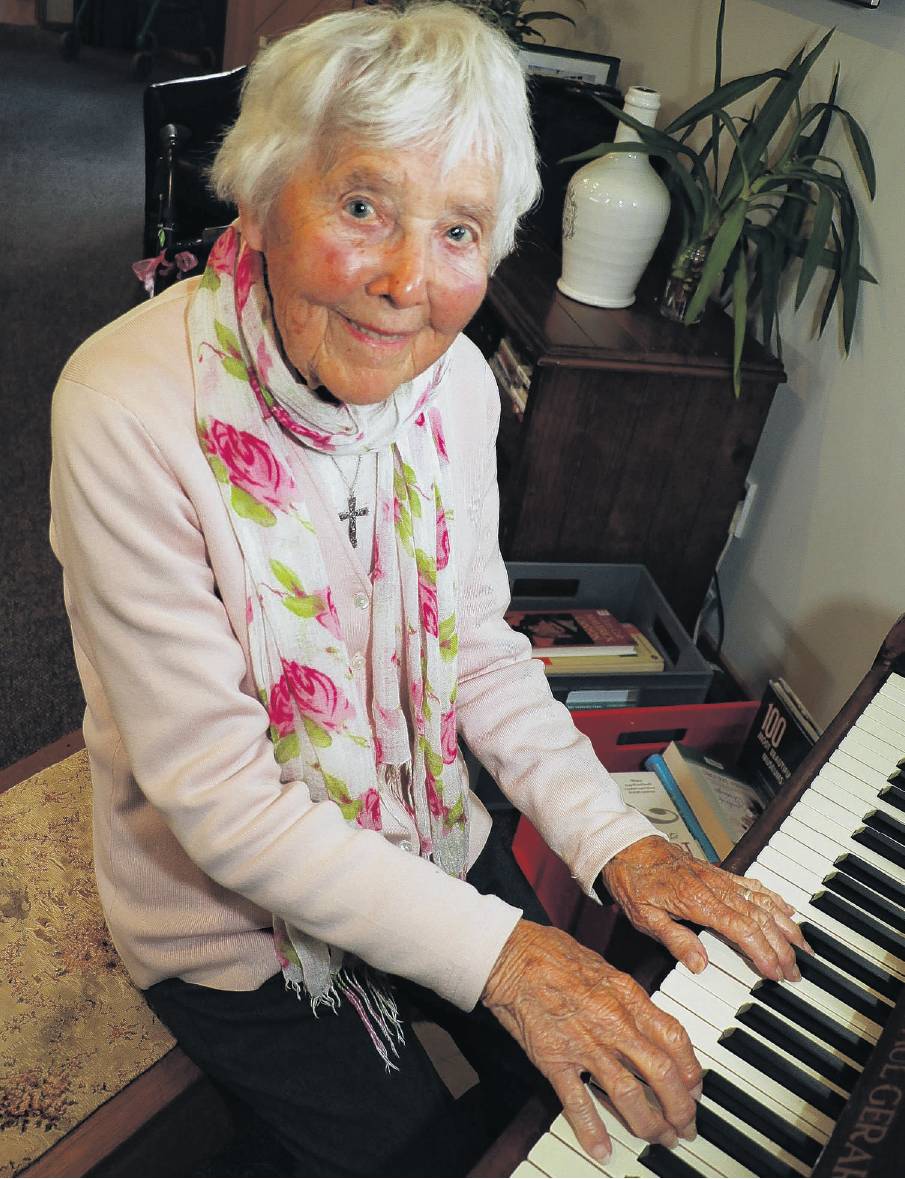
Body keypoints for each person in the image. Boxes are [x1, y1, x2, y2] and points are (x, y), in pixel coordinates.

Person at [49, 4, 808, 1175]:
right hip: (225, 917)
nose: (407, 282)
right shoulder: (122, 407)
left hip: (423, 825)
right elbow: (221, 803)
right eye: (362, 207)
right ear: (262, 193)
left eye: (457, 229)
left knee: (623, 1094)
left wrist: (617, 843)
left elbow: (476, 648)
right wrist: (508, 957)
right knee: (432, 1152)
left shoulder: (449, 387)